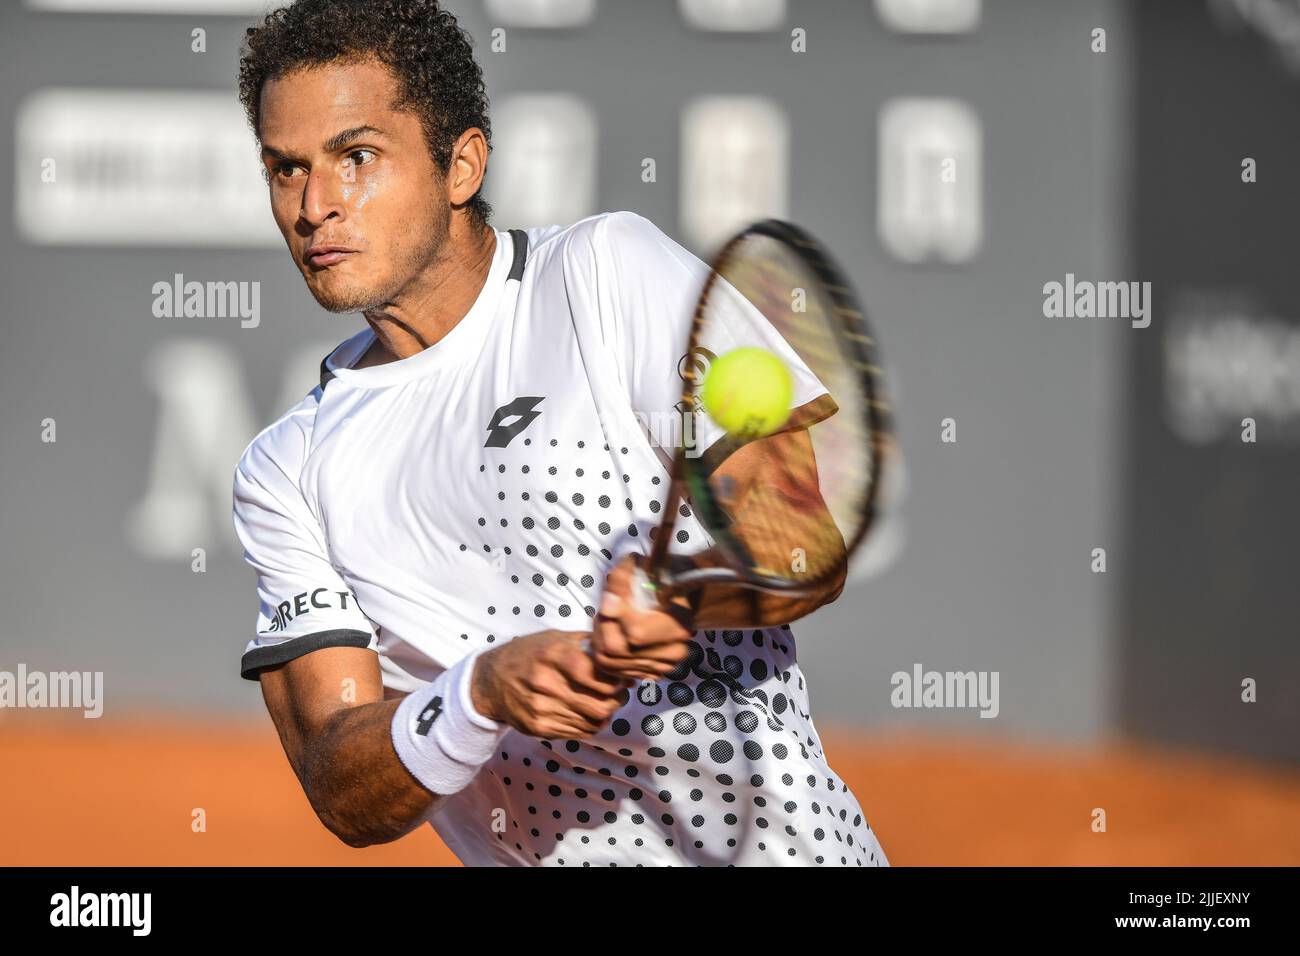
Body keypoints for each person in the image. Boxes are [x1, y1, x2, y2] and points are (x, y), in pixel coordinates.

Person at [232, 0, 886, 866]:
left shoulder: (608, 272)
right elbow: (342, 786)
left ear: (460, 165)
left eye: (357, 157)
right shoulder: (286, 470)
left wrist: (683, 597)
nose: (314, 205)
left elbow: (805, 544)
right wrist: (480, 695)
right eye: (286, 169)